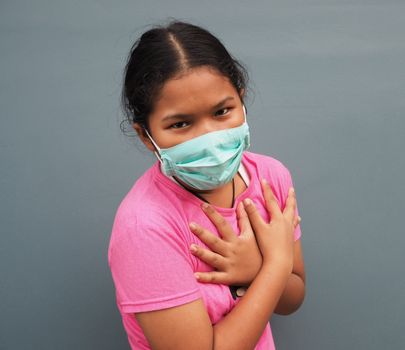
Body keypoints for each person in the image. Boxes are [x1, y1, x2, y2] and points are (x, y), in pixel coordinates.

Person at [108, 20, 306, 350]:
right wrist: (271, 266)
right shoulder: (145, 227)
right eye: (181, 123)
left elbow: (293, 297)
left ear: (241, 101)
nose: (209, 138)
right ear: (146, 135)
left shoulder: (270, 179)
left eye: (222, 111)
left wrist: (253, 268)